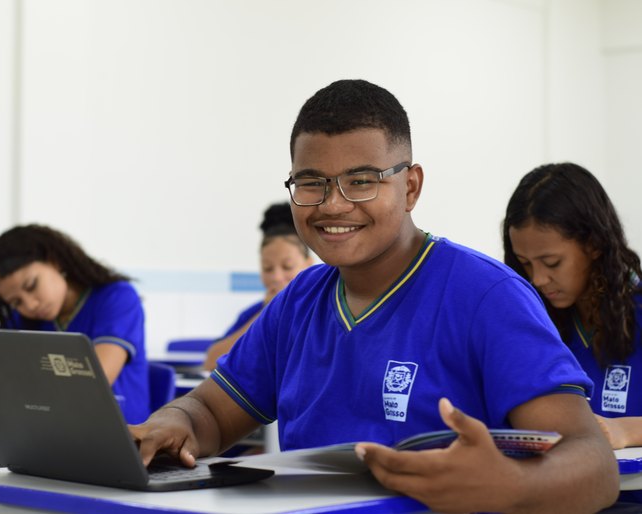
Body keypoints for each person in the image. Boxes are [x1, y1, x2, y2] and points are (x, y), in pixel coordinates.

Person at [130, 80, 618, 513]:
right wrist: (173, 422)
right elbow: (212, 413)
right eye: (311, 182)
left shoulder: (488, 296)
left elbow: (593, 464)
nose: (333, 203)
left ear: (410, 186)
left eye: (361, 181)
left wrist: (512, 486)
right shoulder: (300, 300)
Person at [503, 162, 642, 504]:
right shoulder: (533, 320)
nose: (537, 279)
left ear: (594, 244)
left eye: (551, 263)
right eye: (525, 264)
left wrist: (625, 430)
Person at [0, 224, 150, 424]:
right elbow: (0, 373)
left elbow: (93, 382)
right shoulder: (23, 319)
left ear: (54, 261)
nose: (29, 305)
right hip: (52, 434)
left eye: (31, 286)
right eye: (16, 302)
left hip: (122, 437)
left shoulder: (117, 298)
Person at [203, 202, 313, 370]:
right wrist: (267, 311)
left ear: (309, 264)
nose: (276, 277)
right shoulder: (255, 311)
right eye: (267, 268)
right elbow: (212, 362)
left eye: (287, 267)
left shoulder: (321, 310)